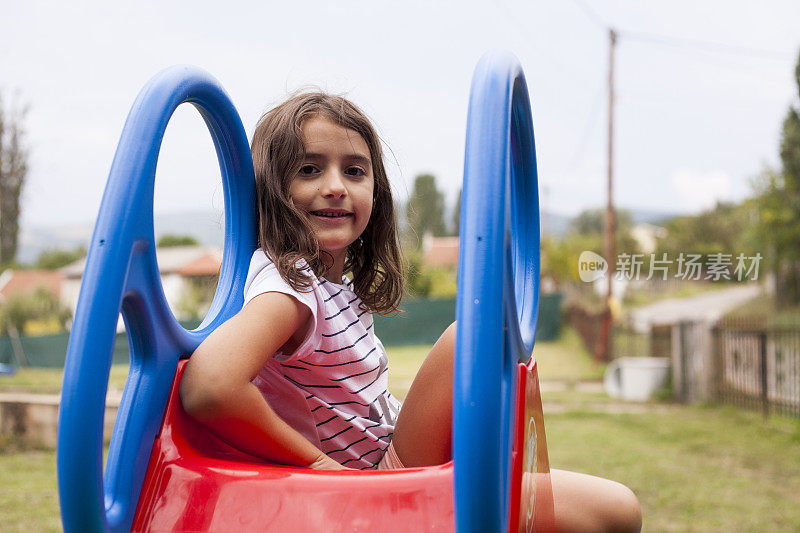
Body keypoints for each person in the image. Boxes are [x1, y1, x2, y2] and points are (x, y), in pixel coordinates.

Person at [179, 92, 642, 532]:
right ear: (271, 190)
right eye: (309, 169)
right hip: (378, 488)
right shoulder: (290, 290)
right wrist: (316, 464)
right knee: (471, 336)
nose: (336, 187)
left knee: (616, 508)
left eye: (355, 171)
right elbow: (210, 387)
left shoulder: (328, 287)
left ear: (376, 193)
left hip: (388, 461)